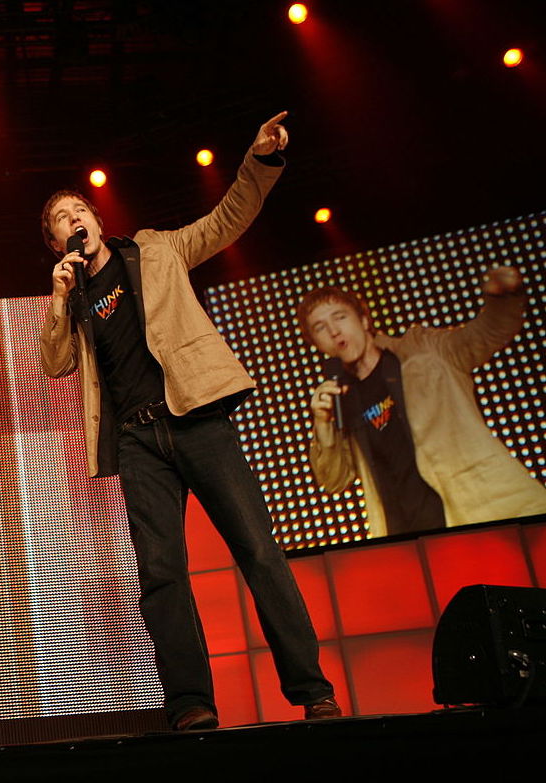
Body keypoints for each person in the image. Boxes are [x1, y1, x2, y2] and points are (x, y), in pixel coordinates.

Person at [39, 112, 338, 731]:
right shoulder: (74, 296)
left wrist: (259, 161)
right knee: (162, 575)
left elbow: (226, 220)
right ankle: (191, 704)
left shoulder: (155, 250)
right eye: (62, 221)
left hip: (196, 414)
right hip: (137, 441)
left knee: (257, 550)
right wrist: (59, 299)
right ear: (55, 243)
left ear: (97, 220)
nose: (75, 222)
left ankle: (312, 689)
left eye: (80, 212)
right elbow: (56, 364)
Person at [301, 268, 546, 538]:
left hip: (479, 514)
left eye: (340, 317)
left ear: (364, 320)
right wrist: (323, 425)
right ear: (317, 344)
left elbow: (485, 334)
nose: (334, 331)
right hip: (408, 539)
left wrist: (503, 297)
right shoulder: (340, 399)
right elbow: (334, 480)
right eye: (320, 327)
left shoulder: (424, 349)